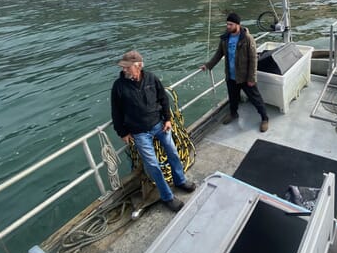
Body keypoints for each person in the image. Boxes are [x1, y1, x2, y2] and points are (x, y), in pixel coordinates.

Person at [111, 50, 196, 212]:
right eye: (123, 67)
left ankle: (180, 181)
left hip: (159, 125)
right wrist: (122, 132)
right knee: (153, 165)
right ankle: (167, 197)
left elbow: (163, 99)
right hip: (139, 132)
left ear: (138, 66)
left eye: (127, 67)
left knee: (173, 153)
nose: (124, 70)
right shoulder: (119, 86)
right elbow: (116, 112)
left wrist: (168, 119)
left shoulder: (151, 78)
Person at [201, 12, 269, 132]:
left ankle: (264, 118)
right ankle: (233, 114)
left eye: (230, 24)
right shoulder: (225, 38)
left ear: (238, 25)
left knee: (255, 99)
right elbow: (219, 54)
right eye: (227, 24)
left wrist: (252, 78)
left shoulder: (248, 39)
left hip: (245, 76)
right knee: (233, 98)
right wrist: (208, 65)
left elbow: (253, 59)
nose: (228, 26)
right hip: (231, 76)